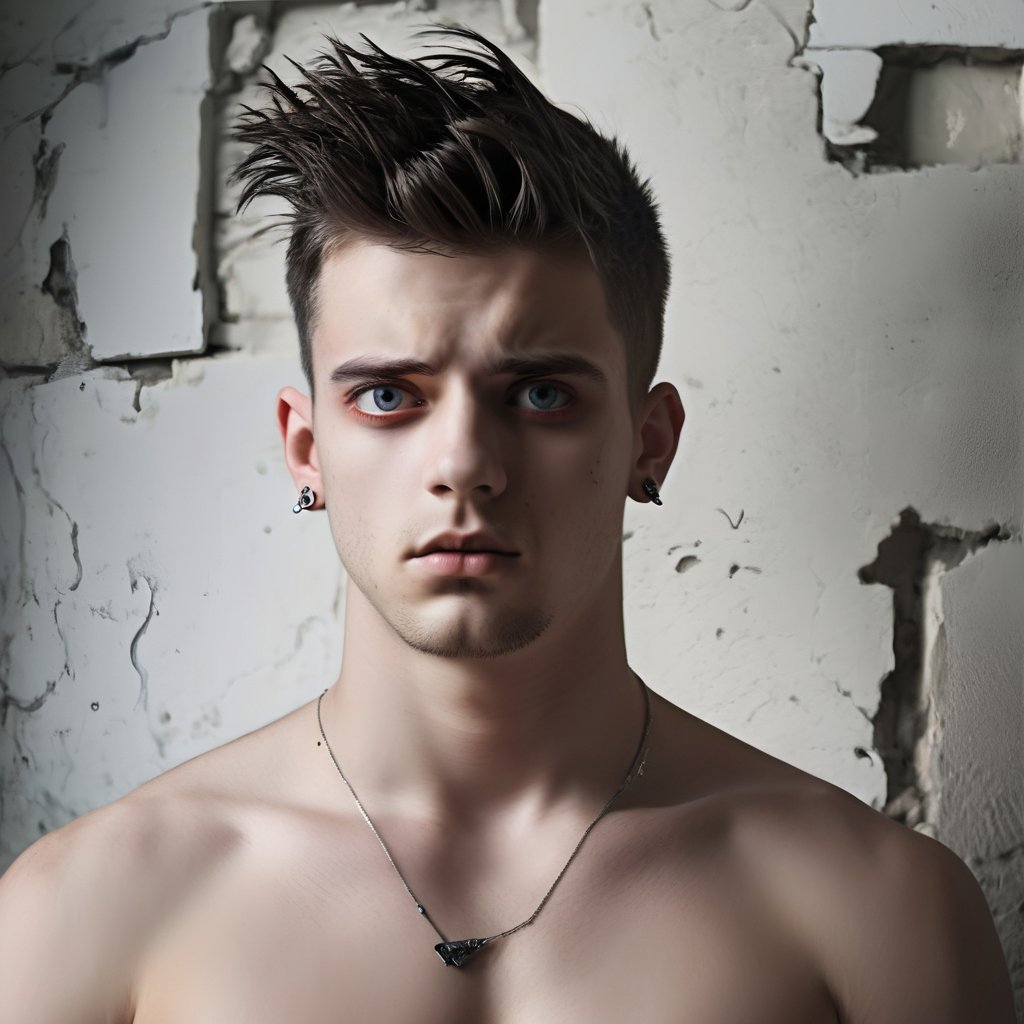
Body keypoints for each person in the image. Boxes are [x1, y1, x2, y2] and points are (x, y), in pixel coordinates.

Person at [0, 25, 1014, 1024]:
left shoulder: (873, 912)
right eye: (390, 399)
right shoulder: (93, 907)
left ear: (647, 443)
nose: (465, 468)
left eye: (538, 396)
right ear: (306, 449)